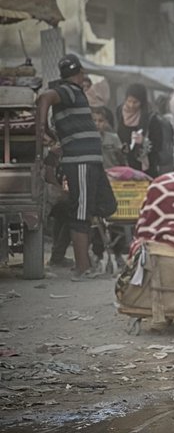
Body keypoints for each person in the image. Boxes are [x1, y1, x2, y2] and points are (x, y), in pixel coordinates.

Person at [35, 54, 117, 281]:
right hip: (80, 160)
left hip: (90, 159)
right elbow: (43, 99)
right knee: (81, 212)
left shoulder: (73, 92)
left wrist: (50, 134)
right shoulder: (67, 89)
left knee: (104, 205)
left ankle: (87, 261)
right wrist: (42, 130)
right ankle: (83, 268)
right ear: (79, 73)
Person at [115, 83, 167, 176]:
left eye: (135, 102)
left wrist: (144, 141)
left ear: (142, 102)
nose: (131, 105)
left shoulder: (150, 117)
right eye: (129, 101)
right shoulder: (120, 112)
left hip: (145, 167)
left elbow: (158, 144)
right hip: (124, 165)